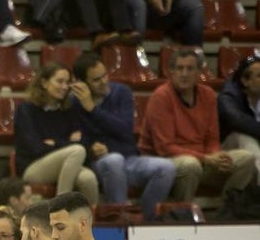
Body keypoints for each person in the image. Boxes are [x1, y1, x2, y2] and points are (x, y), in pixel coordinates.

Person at [70, 52, 177, 220]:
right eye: (96, 80)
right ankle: (119, 220)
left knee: (166, 168)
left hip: (128, 158)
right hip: (98, 163)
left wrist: (92, 109)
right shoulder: (74, 103)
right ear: (82, 83)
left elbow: (125, 130)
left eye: (104, 75)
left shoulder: (121, 92)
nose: (104, 81)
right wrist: (91, 148)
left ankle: (147, 220)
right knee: (114, 160)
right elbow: (75, 138)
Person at [140, 48, 256, 202]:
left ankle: (228, 209)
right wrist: (206, 159)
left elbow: (212, 138)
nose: (184, 74)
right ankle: (183, 211)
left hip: (202, 158)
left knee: (246, 159)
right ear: (171, 72)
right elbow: (165, 148)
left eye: (190, 69)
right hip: (166, 161)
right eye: (180, 68)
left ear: (198, 73)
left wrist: (216, 156)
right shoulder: (161, 97)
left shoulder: (208, 95)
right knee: (190, 165)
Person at [15, 62, 99, 204]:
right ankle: (59, 207)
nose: (65, 87)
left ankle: (89, 217)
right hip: (33, 167)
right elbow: (35, 148)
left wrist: (55, 143)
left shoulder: (69, 109)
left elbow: (85, 145)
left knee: (88, 179)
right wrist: (69, 144)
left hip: (68, 164)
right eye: (60, 81)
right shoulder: (26, 110)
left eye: (67, 82)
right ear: (44, 82)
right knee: (76, 151)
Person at [217, 53, 260, 180]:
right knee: (244, 138)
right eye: (259, 76)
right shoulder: (228, 96)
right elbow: (236, 120)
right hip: (226, 149)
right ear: (245, 81)